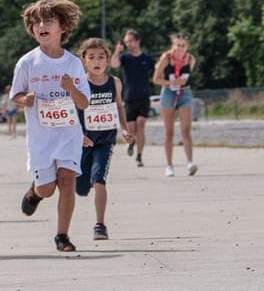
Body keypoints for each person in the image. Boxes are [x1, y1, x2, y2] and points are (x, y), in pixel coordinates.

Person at [9, 0, 90, 253]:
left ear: (62, 27)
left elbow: (84, 103)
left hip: (68, 134)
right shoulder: (27, 62)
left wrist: (70, 88)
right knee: (47, 189)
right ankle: (35, 193)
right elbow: (15, 95)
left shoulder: (73, 64)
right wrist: (25, 99)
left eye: (48, 21)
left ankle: (62, 236)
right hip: (41, 137)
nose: (41, 26)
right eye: (36, 23)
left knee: (67, 181)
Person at [75, 38, 133, 241]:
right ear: (83, 60)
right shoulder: (80, 83)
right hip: (84, 141)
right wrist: (78, 134)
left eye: (101, 57)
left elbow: (119, 106)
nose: (96, 61)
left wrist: (124, 129)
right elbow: (73, 112)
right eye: (91, 57)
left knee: (99, 179)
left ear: (107, 60)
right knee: (81, 189)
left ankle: (100, 225)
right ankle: (87, 180)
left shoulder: (114, 83)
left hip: (105, 140)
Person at [152, 33, 198, 177]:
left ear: (187, 47)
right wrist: (172, 83)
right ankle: (169, 165)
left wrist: (181, 82)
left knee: (186, 130)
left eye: (183, 45)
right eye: (177, 45)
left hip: (185, 92)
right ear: (173, 45)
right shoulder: (166, 58)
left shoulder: (191, 59)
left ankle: (190, 163)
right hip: (168, 92)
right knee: (169, 132)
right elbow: (156, 79)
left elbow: (187, 77)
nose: (180, 48)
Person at [111, 29, 156, 166]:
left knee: (140, 125)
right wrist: (117, 51)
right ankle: (132, 143)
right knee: (131, 129)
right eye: (126, 42)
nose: (128, 44)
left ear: (137, 41)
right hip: (129, 98)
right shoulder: (125, 58)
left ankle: (139, 156)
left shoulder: (147, 59)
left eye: (130, 41)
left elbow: (157, 72)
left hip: (144, 97)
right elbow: (114, 64)